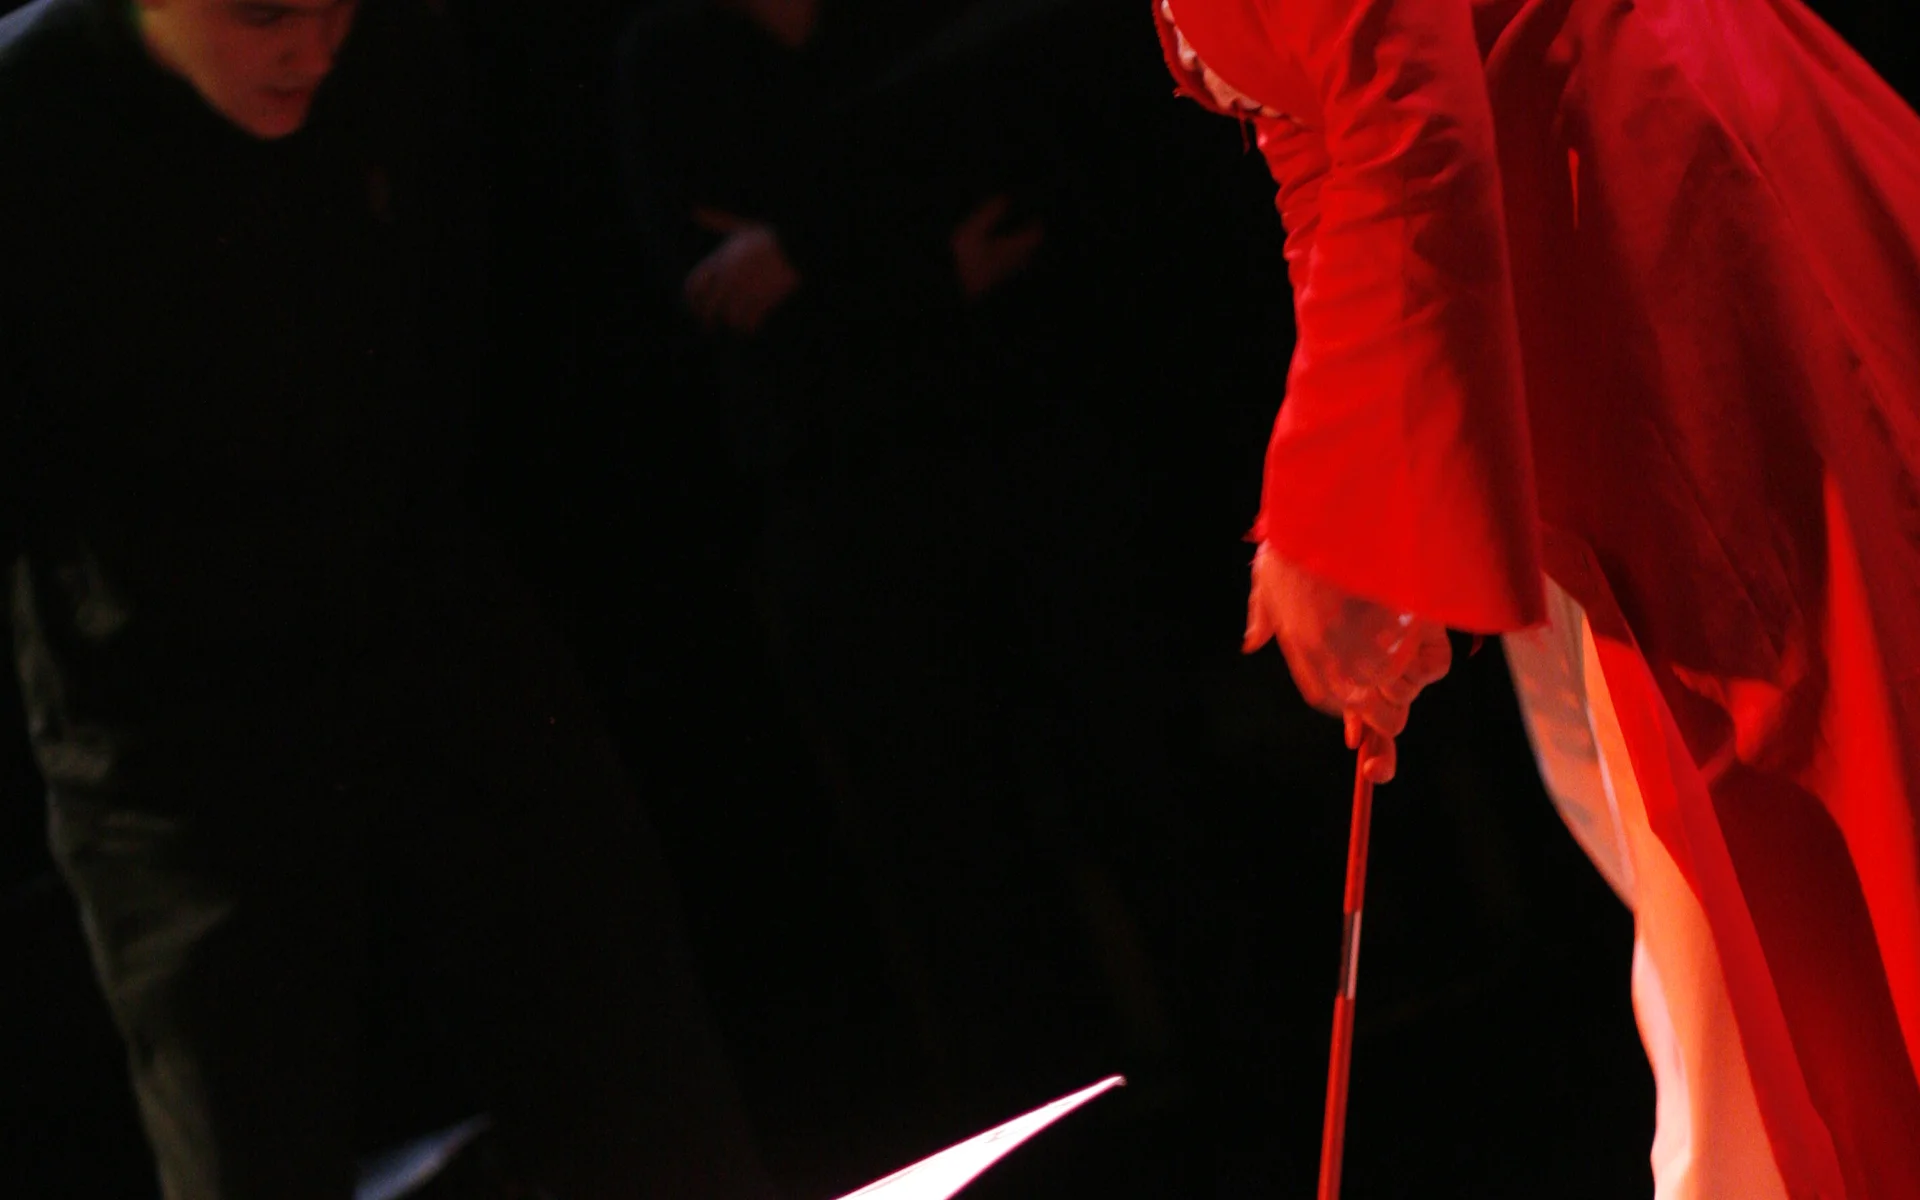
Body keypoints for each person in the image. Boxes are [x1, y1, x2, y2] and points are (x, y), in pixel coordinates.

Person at [0, 1, 780, 1196]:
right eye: (266, 12)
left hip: (416, 612)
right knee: (243, 1119)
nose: (313, 47)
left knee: (626, 1054)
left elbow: (443, 333)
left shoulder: (397, 58)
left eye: (335, 5)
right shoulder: (32, 129)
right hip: (165, 708)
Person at [1154, 0, 1920, 1194]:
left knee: (1759, 882)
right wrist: (1379, 499)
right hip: (1572, 283)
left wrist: (1334, 518)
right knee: (1684, 872)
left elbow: (1409, 116)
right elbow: (1320, 147)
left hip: (1656, 227)